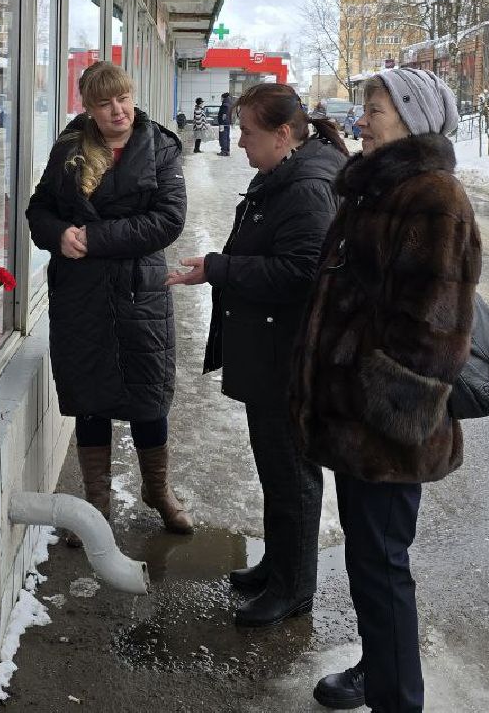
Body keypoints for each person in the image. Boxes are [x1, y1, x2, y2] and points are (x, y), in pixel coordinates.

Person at [293, 67, 481, 712]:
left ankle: (398, 698)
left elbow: (434, 323)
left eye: (375, 108)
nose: (362, 117)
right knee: (369, 559)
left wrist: (388, 411)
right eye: (366, 107)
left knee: (382, 563)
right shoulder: (374, 189)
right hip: (354, 416)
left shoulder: (432, 197)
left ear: (412, 117)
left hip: (388, 423)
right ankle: (378, 669)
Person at [168, 83, 347, 626]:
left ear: (284, 134)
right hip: (272, 351)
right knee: (275, 468)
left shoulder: (307, 188)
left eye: (248, 131)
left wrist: (220, 268)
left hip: (288, 356)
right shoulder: (282, 177)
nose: (239, 140)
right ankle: (279, 563)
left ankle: (294, 587)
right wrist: (218, 267)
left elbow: (301, 274)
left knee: (292, 472)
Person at [26, 62, 191, 539]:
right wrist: (59, 235)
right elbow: (39, 207)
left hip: (139, 290)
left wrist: (94, 237)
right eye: (105, 103)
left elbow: (168, 221)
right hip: (81, 292)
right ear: (88, 108)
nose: (118, 110)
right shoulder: (69, 149)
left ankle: (157, 489)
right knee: (90, 397)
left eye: (123, 98)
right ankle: (97, 498)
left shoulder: (158, 147)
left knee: (148, 394)